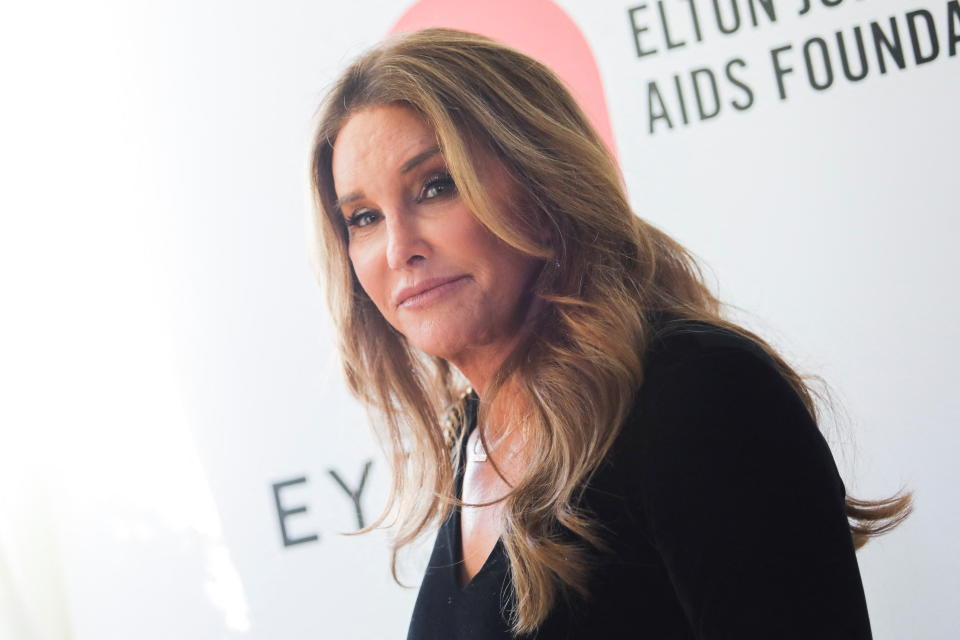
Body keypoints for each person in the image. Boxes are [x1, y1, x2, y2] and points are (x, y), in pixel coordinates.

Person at [308, 27, 911, 639]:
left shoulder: (698, 395)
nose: (398, 247)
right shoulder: (477, 436)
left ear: (543, 180)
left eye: (437, 185)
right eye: (363, 218)